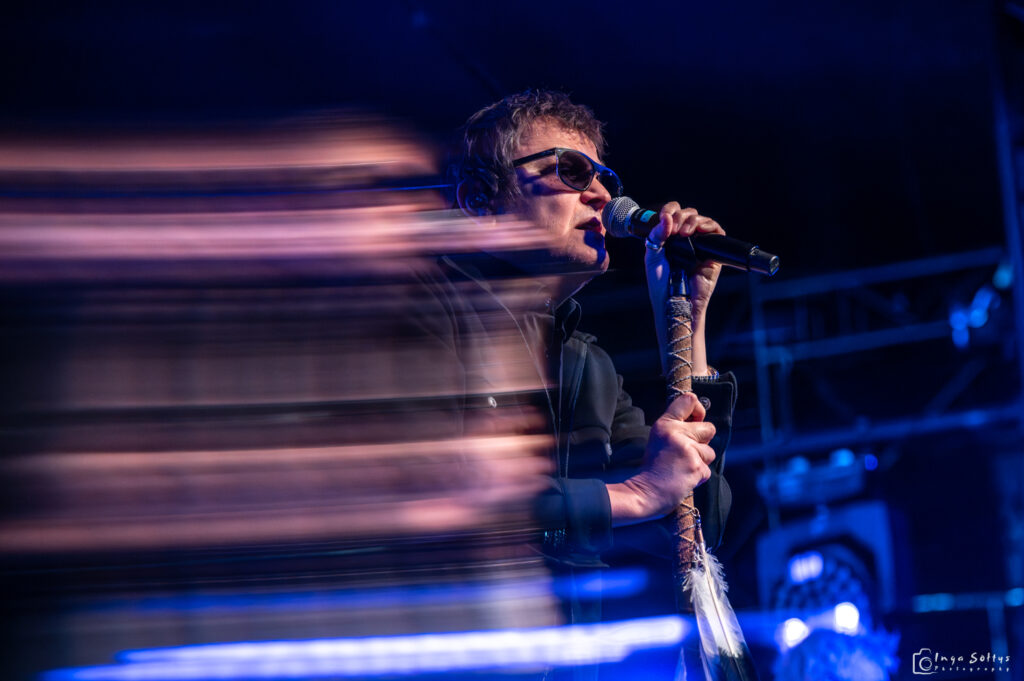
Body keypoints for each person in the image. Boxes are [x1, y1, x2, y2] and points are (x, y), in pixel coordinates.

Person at [448, 89, 737, 579]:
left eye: (604, 178)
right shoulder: (414, 314)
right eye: (570, 171)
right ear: (481, 201)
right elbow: (442, 494)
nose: (603, 196)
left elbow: (696, 522)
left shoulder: (587, 367)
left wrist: (686, 318)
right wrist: (635, 495)